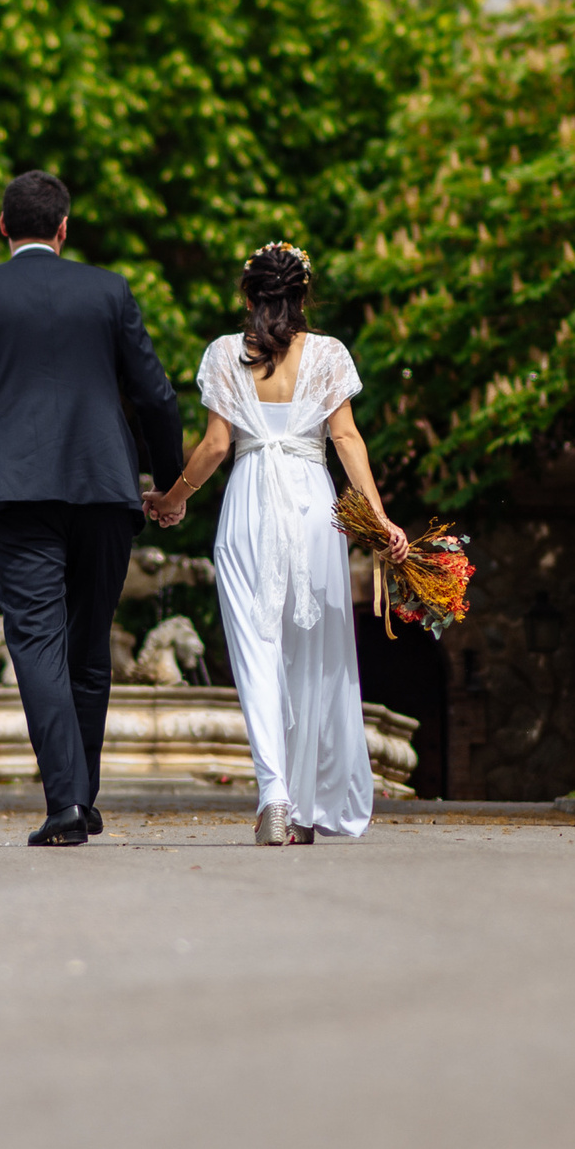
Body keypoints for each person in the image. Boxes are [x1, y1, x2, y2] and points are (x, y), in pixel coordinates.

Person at [0, 172, 185, 847]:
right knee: (89, 643)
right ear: (64, 227)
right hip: (105, 486)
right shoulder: (109, 290)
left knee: (36, 641)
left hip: (16, 494)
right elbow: (156, 396)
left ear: (3, 227)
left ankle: (67, 801)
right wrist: (169, 483)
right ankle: (82, 798)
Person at [144, 244, 408, 846]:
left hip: (247, 507)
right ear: (304, 295)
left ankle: (276, 795)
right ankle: (307, 805)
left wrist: (173, 498)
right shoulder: (329, 354)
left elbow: (214, 446)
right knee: (312, 657)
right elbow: (346, 439)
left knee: (255, 654)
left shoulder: (223, 354)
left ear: (247, 295)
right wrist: (381, 517)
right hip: (316, 509)